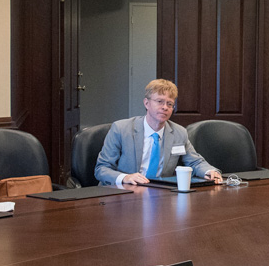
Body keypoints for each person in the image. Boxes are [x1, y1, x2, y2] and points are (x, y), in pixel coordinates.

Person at [94, 79, 223, 186]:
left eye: (170, 104)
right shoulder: (121, 129)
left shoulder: (179, 132)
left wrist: (209, 171)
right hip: (122, 193)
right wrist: (125, 177)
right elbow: (102, 169)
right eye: (160, 101)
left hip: (159, 192)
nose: (165, 107)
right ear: (146, 103)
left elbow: (195, 162)